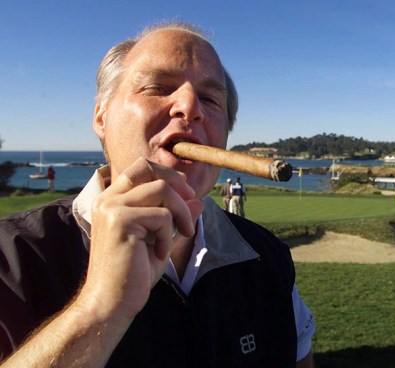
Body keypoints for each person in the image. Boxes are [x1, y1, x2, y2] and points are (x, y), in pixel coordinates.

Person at [0, 22, 315, 367]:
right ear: (101, 117)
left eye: (210, 99)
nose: (190, 105)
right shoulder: (11, 256)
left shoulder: (268, 257)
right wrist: (98, 309)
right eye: (157, 87)